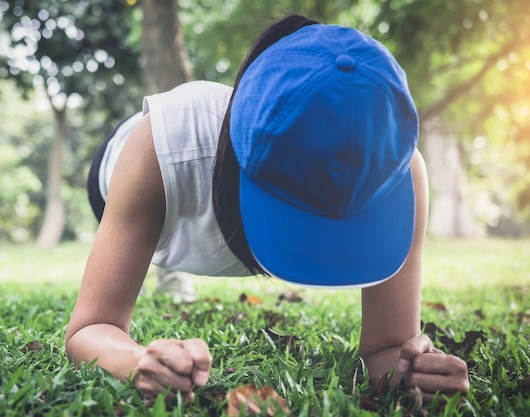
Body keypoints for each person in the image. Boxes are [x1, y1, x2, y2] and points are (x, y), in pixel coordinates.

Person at [65, 15, 469, 403]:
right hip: (133, 180)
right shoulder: (163, 146)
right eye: (299, 210)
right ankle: (169, 272)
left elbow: (387, 348)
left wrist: (411, 372)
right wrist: (136, 361)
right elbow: (90, 328)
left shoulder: (397, 167)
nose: (320, 233)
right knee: (161, 251)